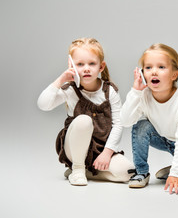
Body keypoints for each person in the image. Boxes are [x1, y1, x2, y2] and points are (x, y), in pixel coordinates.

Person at [37, 37, 134, 186]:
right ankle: (77, 168)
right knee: (84, 120)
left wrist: (107, 154)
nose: (86, 68)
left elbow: (118, 124)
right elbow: (43, 104)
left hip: (100, 149)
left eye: (92, 63)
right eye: (80, 64)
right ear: (72, 66)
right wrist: (61, 78)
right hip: (74, 148)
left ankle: (88, 172)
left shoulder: (110, 91)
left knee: (127, 172)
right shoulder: (70, 90)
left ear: (101, 67)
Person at [120, 43, 178, 194]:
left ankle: (173, 168)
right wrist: (135, 91)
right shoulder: (144, 95)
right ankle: (142, 172)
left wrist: (175, 174)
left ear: (174, 74)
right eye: (148, 67)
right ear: (142, 72)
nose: (154, 72)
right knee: (141, 126)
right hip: (159, 137)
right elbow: (126, 121)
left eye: (161, 67)